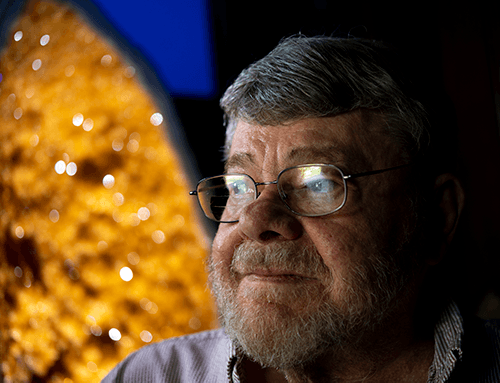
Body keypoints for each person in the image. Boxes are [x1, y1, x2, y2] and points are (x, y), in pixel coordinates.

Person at [103, 36, 500, 382]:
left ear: (436, 217)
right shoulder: (148, 375)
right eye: (240, 186)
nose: (257, 221)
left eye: (318, 184)